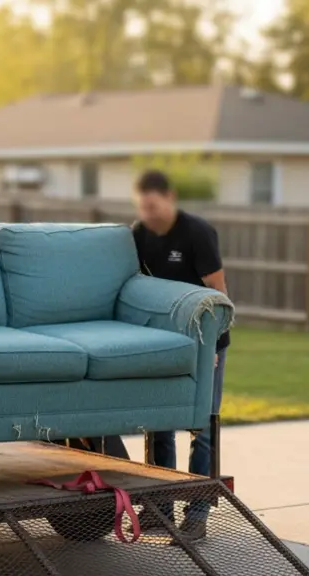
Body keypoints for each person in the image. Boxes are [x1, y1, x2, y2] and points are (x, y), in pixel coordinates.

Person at [131, 170, 229, 540]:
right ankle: (159, 507)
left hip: (207, 338)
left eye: (154, 208)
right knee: (159, 424)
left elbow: (219, 293)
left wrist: (213, 346)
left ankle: (197, 514)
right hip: (166, 339)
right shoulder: (139, 233)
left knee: (201, 426)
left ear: (169, 198)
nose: (150, 216)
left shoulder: (197, 233)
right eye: (144, 209)